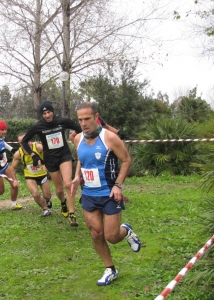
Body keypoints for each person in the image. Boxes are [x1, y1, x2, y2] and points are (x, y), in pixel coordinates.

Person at [70, 102, 141, 286]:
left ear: (96, 117)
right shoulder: (77, 139)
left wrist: (118, 185)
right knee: (95, 233)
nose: (83, 123)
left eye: (87, 119)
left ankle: (126, 231)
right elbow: (81, 159)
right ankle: (110, 269)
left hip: (110, 193)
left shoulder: (109, 138)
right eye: (80, 120)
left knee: (111, 236)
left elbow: (126, 160)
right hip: (89, 194)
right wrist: (77, 176)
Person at [21, 101, 82, 227]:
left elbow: (79, 128)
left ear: (53, 112)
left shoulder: (61, 121)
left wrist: (76, 138)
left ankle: (72, 215)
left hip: (64, 155)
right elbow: (25, 141)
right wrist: (34, 156)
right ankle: (63, 202)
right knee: (59, 189)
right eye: (44, 113)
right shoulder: (38, 126)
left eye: (49, 112)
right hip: (50, 159)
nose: (47, 115)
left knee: (68, 184)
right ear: (41, 115)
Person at [11, 132, 52, 217]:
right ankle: (45, 209)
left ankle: (47, 200)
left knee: (47, 195)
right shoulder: (19, 153)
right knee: (35, 194)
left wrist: (45, 164)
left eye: (26, 140)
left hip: (42, 174)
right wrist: (14, 180)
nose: (24, 143)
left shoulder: (38, 147)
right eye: (21, 142)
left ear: (30, 140)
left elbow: (49, 154)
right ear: (19, 143)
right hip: (30, 176)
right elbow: (13, 168)